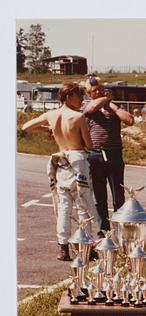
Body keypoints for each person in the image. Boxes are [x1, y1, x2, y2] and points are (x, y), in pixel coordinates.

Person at [21, 83, 99, 261]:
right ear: (69, 96)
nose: (82, 100)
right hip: (78, 164)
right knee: (83, 207)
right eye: (79, 96)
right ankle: (85, 245)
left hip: (61, 164)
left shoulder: (51, 115)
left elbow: (26, 127)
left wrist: (48, 129)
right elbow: (89, 145)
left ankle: (63, 247)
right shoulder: (78, 117)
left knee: (63, 207)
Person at [82, 76, 134, 236]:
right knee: (99, 195)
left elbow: (130, 120)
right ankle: (103, 228)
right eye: (94, 91)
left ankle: (120, 227)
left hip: (114, 154)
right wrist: (106, 99)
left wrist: (112, 106)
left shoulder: (113, 107)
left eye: (100, 89)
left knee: (118, 194)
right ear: (89, 94)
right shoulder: (88, 105)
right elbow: (90, 110)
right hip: (95, 154)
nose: (97, 92)